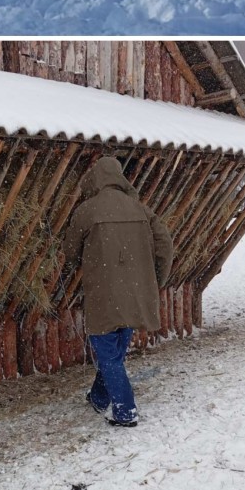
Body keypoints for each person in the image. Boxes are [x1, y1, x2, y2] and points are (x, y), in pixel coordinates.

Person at [67, 155, 175, 427]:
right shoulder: (141, 210)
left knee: (107, 354)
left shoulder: (86, 211)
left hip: (104, 294)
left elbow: (70, 253)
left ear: (96, 179)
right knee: (114, 354)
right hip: (135, 294)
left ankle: (125, 411)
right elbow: (165, 245)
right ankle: (99, 397)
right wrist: (155, 280)